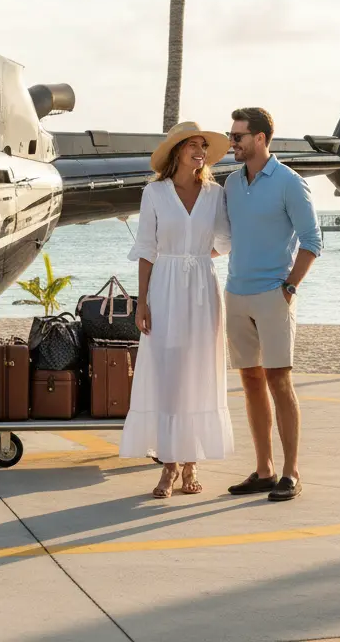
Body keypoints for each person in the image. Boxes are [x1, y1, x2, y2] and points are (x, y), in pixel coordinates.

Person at [121, 121, 234, 498]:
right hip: (164, 288)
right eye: (192, 145)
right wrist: (142, 301)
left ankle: (191, 462)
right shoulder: (154, 192)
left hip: (202, 288)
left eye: (203, 146)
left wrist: (196, 258)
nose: (200, 151)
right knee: (169, 374)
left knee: (199, 372)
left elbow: (225, 241)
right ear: (177, 151)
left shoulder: (215, 194)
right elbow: (146, 249)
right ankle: (169, 464)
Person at [223, 107, 320, 502]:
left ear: (260, 138)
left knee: (279, 380)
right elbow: (225, 237)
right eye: (231, 136)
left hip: (273, 295)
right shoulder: (231, 183)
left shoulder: (290, 183)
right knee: (250, 380)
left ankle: (291, 472)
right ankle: (264, 470)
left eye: (238, 136)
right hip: (235, 293)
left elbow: (312, 241)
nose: (232, 142)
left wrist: (290, 287)